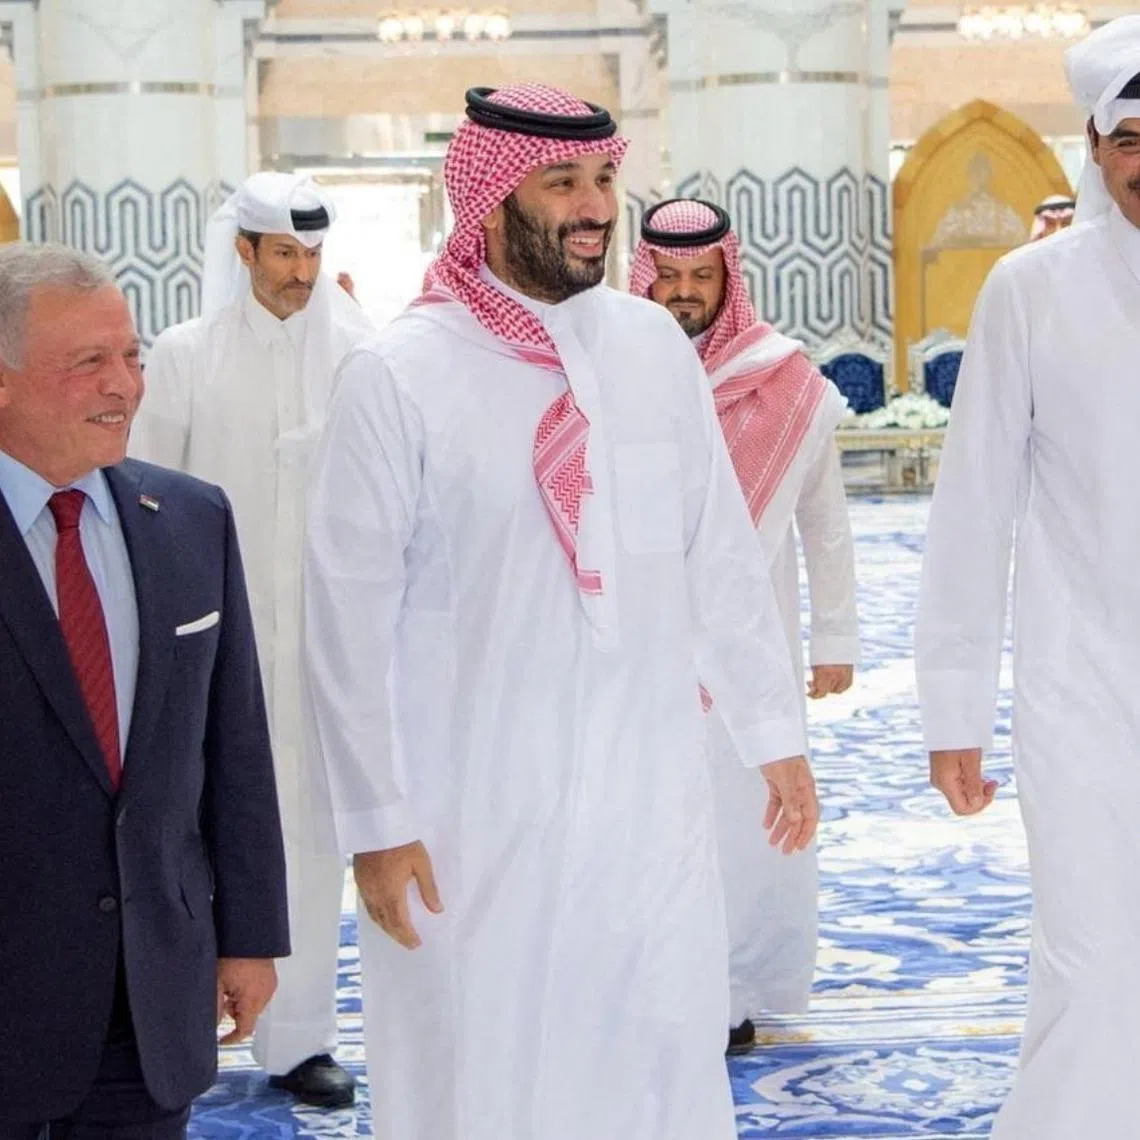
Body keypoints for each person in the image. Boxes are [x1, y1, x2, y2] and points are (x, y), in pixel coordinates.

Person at [302, 83, 817, 1140]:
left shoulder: (651, 347)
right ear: (490, 201)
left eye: (604, 180)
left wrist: (774, 733)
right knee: (481, 1062)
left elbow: (716, 554)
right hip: (471, 810)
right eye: (562, 183)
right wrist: (377, 826)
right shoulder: (398, 375)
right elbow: (344, 625)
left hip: (646, 796)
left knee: (653, 1049)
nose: (594, 207)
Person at [0, 243, 288, 1138]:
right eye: (88, 362)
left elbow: (235, 748)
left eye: (131, 356)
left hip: (152, 1000)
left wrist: (250, 937)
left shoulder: (192, 519)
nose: (124, 385)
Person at [915, 15, 1140, 1138]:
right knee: (1097, 958)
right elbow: (972, 509)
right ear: (1094, 147)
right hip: (1082, 686)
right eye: (1131, 139)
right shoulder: (1030, 289)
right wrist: (955, 712)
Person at [129, 172, 374, 1110]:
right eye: (283, 254)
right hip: (208, 643)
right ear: (243, 251)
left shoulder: (358, 353)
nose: (302, 273)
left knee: (306, 836)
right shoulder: (186, 356)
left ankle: (300, 1040)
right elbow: (147, 495)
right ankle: (171, 1034)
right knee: (182, 835)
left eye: (313, 254)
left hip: (320, 645)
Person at [630, 197, 858, 1050]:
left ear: (730, 279)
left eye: (701, 276)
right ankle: (651, 982)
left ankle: (731, 991)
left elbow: (825, 523)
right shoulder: (612, 368)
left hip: (753, 641)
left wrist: (835, 639)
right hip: (640, 639)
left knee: (744, 815)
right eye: (669, 276)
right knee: (643, 813)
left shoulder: (785, 381)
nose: (685, 292)